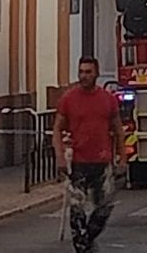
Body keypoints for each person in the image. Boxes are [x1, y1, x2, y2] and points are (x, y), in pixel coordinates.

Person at [54, 57, 123, 253]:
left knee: (104, 208)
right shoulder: (68, 99)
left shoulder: (107, 100)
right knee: (77, 210)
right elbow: (57, 130)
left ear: (97, 74)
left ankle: (89, 238)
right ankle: (82, 247)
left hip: (102, 162)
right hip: (79, 163)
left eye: (88, 72)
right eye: (81, 72)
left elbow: (118, 131)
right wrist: (59, 157)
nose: (83, 76)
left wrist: (122, 159)